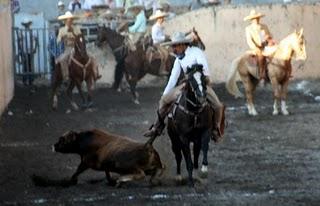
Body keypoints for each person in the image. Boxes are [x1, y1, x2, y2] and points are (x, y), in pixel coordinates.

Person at [144, 31, 225, 140]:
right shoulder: (178, 59)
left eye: (175, 46)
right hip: (186, 84)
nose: (173, 49)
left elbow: (204, 68)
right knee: (163, 101)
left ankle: (215, 129)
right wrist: (165, 94)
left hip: (201, 83)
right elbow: (173, 78)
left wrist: (201, 79)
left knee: (218, 106)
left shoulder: (197, 52)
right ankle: (157, 126)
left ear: (182, 45)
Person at [56, 11, 101, 81]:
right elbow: (58, 41)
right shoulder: (62, 30)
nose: (70, 21)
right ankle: (66, 76)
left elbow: (81, 37)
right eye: (68, 20)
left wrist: (74, 35)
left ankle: (95, 73)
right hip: (68, 48)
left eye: (71, 20)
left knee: (92, 57)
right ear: (65, 21)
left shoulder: (76, 28)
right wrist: (63, 38)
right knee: (62, 59)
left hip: (79, 47)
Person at [244, 9, 276, 86]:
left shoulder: (264, 26)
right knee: (261, 57)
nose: (256, 20)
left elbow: (270, 36)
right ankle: (262, 77)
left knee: (276, 54)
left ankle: (276, 73)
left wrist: (269, 39)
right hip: (256, 47)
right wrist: (255, 48)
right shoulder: (249, 29)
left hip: (266, 45)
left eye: (257, 18)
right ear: (251, 20)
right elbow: (249, 40)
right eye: (255, 18)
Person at [17, 18, 38, 86]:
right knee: (25, 66)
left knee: (30, 66)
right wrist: (20, 50)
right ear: (24, 25)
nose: (27, 25)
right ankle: (25, 80)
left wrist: (35, 48)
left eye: (28, 24)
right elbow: (19, 41)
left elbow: (36, 40)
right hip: (24, 51)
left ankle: (31, 80)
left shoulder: (33, 31)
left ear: (29, 24)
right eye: (26, 24)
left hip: (30, 51)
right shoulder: (21, 32)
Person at [148, 9, 170, 74]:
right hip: (157, 43)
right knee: (165, 53)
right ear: (157, 19)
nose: (161, 19)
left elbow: (161, 35)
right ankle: (161, 69)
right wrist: (164, 38)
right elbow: (154, 37)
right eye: (160, 18)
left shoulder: (160, 26)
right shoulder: (155, 27)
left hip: (162, 42)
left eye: (162, 18)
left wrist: (166, 36)